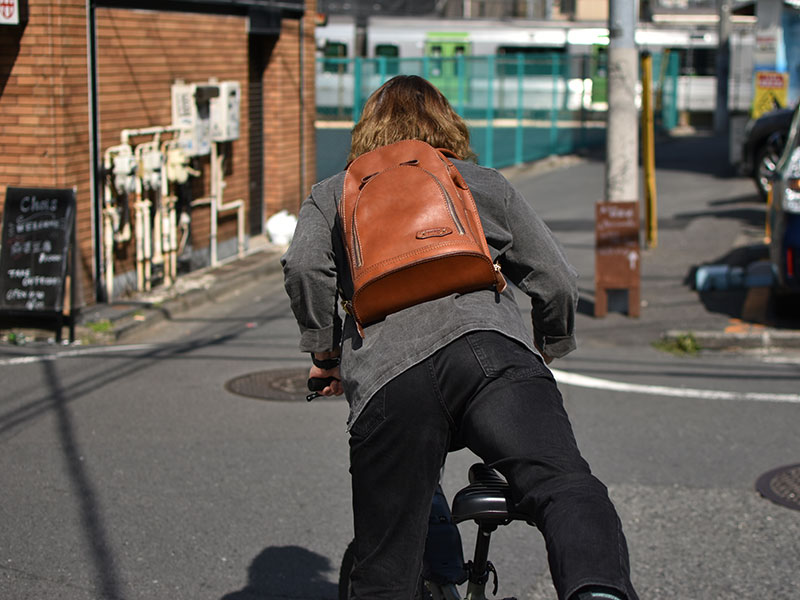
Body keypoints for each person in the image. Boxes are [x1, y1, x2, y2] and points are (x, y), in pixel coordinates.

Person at [282, 75, 639, 600]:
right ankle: (597, 590)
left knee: (385, 564)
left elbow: (305, 270)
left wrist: (325, 352)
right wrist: (543, 350)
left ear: (367, 132)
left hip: (389, 377)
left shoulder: (332, 195)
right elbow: (558, 279)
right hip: (491, 354)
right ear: (445, 124)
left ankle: (435, 577)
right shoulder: (479, 181)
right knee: (564, 486)